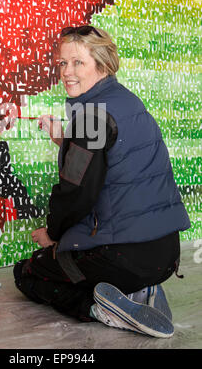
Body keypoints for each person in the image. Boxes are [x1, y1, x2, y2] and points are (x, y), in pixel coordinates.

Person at [13, 25, 191, 338]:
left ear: (103, 64)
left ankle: (103, 308)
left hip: (125, 258)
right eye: (62, 63)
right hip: (165, 253)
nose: (67, 72)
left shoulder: (90, 116)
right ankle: (140, 291)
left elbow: (76, 192)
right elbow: (108, 162)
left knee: (28, 273)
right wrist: (66, 140)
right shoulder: (126, 102)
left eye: (77, 62)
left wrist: (55, 235)